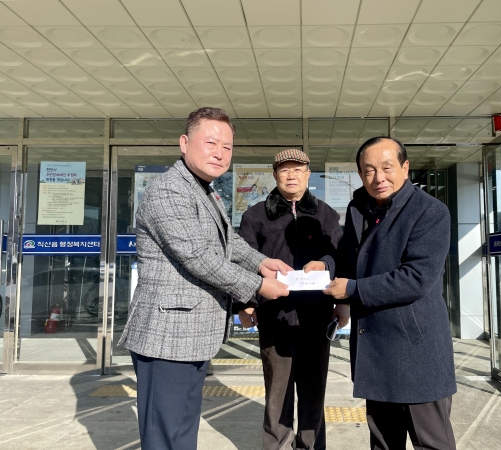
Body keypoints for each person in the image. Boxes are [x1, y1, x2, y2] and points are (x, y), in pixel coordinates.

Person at [119, 107, 292, 450]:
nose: (220, 153)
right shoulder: (169, 191)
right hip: (167, 336)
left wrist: (261, 262)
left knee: (183, 432)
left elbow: (228, 242)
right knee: (165, 436)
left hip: (191, 335)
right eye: (211, 142)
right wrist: (258, 286)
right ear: (184, 143)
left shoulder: (205, 190)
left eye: (227, 146)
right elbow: (198, 257)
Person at [323, 137, 456, 450]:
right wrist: (325, 264)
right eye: (369, 170)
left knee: (431, 443)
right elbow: (348, 258)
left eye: (387, 167)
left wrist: (352, 289)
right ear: (360, 174)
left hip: (416, 353)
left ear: (405, 168)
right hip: (375, 351)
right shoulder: (359, 209)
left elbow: (416, 278)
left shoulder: (430, 211)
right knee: (383, 443)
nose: (378, 177)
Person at [237, 148, 347, 450]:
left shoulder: (325, 214)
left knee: (314, 391)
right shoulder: (255, 215)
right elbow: (243, 262)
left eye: (298, 170)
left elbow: (341, 257)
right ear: (275, 175)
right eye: (284, 170)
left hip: (317, 317)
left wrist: (339, 295)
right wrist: (246, 303)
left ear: (308, 174)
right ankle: (277, 445)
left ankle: (311, 446)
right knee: (277, 392)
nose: (291, 175)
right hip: (275, 317)